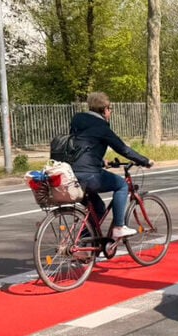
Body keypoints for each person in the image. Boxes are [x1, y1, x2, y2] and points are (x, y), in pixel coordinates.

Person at [70, 92, 153, 240]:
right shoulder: (102, 127)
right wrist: (144, 161)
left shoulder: (77, 121)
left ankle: (81, 244)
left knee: (98, 209)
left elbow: (81, 148)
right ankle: (119, 227)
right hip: (89, 175)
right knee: (121, 185)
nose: (111, 112)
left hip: (70, 175)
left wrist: (102, 162)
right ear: (105, 109)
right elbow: (123, 149)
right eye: (110, 109)